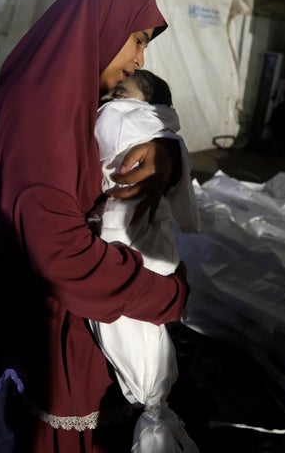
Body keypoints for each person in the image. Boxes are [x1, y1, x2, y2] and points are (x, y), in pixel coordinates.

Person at [0, 0, 190, 451]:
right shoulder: (37, 111)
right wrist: (166, 296)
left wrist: (164, 151)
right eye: (138, 40)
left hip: (57, 318)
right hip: (61, 329)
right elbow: (62, 258)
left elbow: (119, 144)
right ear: (103, 24)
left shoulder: (54, 95)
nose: (139, 60)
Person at [89, 70, 201, 452]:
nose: (110, 100)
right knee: (140, 335)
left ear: (149, 106)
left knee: (133, 329)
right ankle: (149, 401)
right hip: (140, 256)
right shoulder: (164, 138)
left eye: (120, 93)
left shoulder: (127, 119)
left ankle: (148, 400)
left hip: (131, 247)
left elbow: (104, 135)